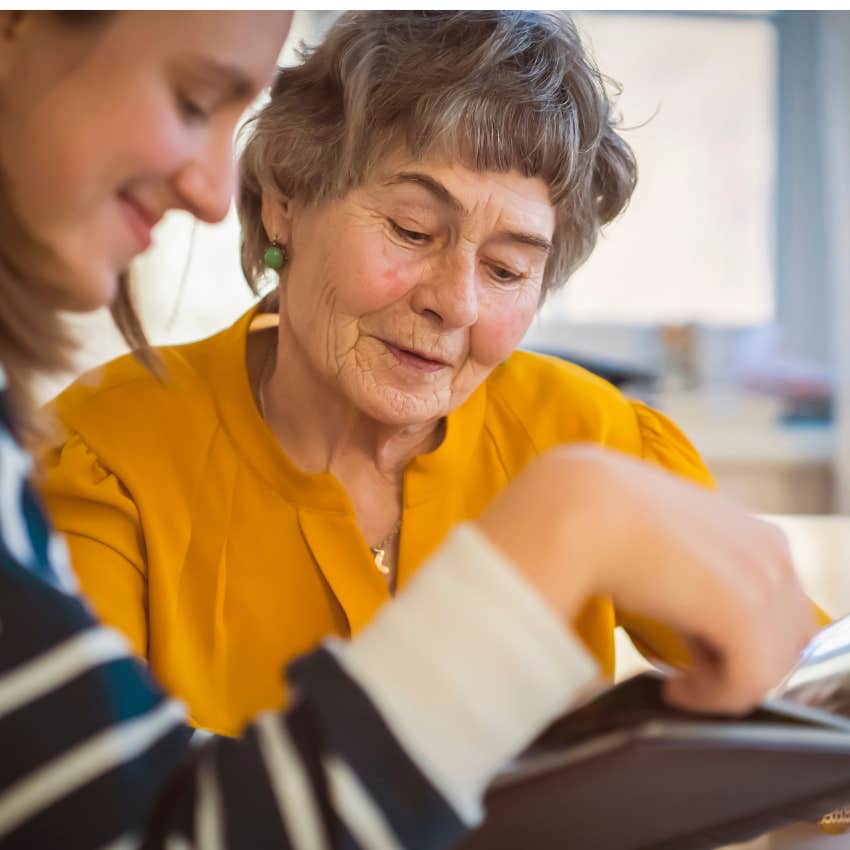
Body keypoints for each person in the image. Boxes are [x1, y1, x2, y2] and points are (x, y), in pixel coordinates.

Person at [0, 9, 817, 849]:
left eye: (507, 268)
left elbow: (807, 709)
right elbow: (115, 810)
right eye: (412, 230)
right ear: (286, 199)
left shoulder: (590, 431)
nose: (455, 301)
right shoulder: (105, 454)